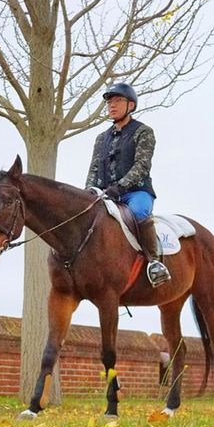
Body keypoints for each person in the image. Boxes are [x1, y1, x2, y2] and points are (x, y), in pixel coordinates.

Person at [85, 83, 171, 287]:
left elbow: (142, 165)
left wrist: (120, 187)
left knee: (139, 212)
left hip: (135, 192)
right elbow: (94, 168)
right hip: (105, 193)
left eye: (117, 101)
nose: (112, 105)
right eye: (109, 102)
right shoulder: (101, 138)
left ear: (130, 105)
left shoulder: (144, 132)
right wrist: (87, 192)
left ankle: (154, 263)